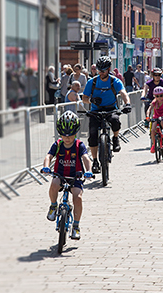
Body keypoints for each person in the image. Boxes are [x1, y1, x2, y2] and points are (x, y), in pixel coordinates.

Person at [41, 111, 94, 240]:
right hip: (60, 174)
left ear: (75, 133)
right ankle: (53, 205)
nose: (67, 138)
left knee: (78, 197)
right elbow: (48, 156)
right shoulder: (58, 144)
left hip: (75, 177)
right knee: (54, 184)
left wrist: (89, 170)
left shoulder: (79, 145)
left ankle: (76, 226)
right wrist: (46, 167)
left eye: (70, 135)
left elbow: (86, 158)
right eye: (64, 135)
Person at [82, 56, 131, 173]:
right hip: (96, 110)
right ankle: (95, 161)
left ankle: (115, 138)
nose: (101, 72)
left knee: (115, 121)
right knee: (93, 134)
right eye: (99, 70)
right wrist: (91, 101)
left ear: (109, 69)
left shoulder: (115, 81)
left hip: (111, 109)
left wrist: (127, 104)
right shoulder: (92, 82)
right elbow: (84, 98)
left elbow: (123, 93)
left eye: (103, 70)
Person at [146, 86, 163, 153]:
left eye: (161, 95)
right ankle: (153, 144)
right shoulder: (154, 102)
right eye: (157, 96)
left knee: (162, 123)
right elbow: (149, 109)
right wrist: (147, 116)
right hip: (155, 117)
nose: (159, 97)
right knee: (153, 130)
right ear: (155, 96)